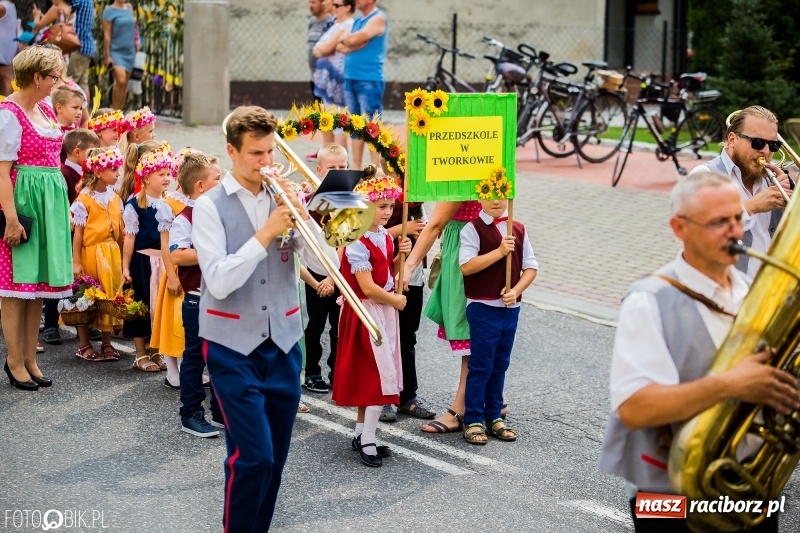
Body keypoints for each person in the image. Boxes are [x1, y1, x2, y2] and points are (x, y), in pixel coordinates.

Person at [599, 172, 800, 533]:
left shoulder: (752, 290)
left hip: (752, 484)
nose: (735, 231)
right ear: (680, 228)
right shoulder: (648, 300)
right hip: (668, 492)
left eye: (737, 218)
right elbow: (633, 407)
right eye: (718, 222)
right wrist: (729, 385)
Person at [193, 106, 339, 532]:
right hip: (230, 344)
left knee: (274, 457)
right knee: (251, 457)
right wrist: (268, 231)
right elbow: (218, 280)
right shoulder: (208, 206)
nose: (266, 162)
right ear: (231, 151)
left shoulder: (283, 199)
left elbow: (326, 264)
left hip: (285, 340)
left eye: (270, 151)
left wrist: (308, 221)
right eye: (256, 153)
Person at [0, 45, 73, 391]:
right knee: (16, 288)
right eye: (53, 76)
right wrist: (11, 219)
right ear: (37, 77)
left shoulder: (43, 107)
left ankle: (30, 358)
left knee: (38, 286)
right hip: (25, 200)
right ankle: (14, 360)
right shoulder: (9, 114)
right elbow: (1, 173)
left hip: (50, 201)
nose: (57, 82)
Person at [332, 174, 409, 467]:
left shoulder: (385, 236)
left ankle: (362, 432)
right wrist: (396, 300)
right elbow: (367, 287)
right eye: (381, 206)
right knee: (377, 377)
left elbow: (383, 272)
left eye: (390, 205)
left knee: (376, 373)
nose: (388, 211)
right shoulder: (356, 241)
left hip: (382, 311)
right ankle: (368, 440)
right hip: (365, 313)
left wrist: (401, 256)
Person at [459, 198, 538, 444]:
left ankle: (494, 415)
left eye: (501, 194)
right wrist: (500, 252)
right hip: (483, 307)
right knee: (481, 364)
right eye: (489, 193)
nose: (496, 200)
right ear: (480, 197)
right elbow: (467, 266)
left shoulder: (518, 228)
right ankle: (472, 418)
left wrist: (516, 291)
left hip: (510, 307)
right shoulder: (471, 228)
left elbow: (531, 267)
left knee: (500, 363)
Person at [401, 200, 483, 432]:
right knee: (476, 325)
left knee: (469, 329)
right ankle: (489, 397)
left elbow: (436, 223)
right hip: (473, 241)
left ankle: (461, 407)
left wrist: (409, 266)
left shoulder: (462, 166)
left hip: (466, 246)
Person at [689, 105, 792, 279]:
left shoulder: (772, 179)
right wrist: (752, 206)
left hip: (769, 289)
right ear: (732, 139)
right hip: (726, 292)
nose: (766, 152)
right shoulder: (704, 176)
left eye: (773, 145)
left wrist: (793, 195)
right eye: (757, 143)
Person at [169, 151, 222, 436]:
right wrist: (213, 252)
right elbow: (178, 256)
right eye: (217, 179)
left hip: (220, 297)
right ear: (200, 186)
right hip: (198, 298)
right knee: (195, 359)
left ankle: (220, 412)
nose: (223, 183)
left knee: (220, 358)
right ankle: (191, 414)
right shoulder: (185, 217)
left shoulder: (218, 213)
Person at [40, 128, 100, 346]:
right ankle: (51, 325)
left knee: (81, 282)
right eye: (92, 151)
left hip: (83, 234)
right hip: (67, 231)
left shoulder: (89, 175)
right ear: (77, 152)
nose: (96, 156)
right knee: (59, 279)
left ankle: (83, 321)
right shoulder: (65, 174)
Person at [121, 142, 174, 371]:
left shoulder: (170, 202)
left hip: (165, 261)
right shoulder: (134, 205)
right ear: (146, 177)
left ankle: (156, 350)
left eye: (168, 173)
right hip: (142, 262)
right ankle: (141, 353)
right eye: (161, 174)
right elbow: (129, 239)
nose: (166, 178)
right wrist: (125, 267)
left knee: (160, 308)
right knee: (141, 306)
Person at [301, 142, 350, 393]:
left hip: (340, 275)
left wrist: (334, 278)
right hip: (315, 274)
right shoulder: (307, 203)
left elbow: (345, 244)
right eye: (332, 168)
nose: (339, 172)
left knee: (339, 328)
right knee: (316, 325)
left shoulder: (350, 202)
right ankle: (311, 372)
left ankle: (337, 370)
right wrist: (323, 279)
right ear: (319, 170)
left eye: (343, 167)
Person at [70, 147, 125, 361]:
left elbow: (120, 232)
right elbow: (78, 234)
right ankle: (84, 344)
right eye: (113, 169)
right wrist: (76, 262)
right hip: (91, 253)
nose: (117, 173)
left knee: (109, 298)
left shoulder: (115, 197)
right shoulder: (85, 199)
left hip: (111, 254)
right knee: (88, 298)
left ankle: (107, 342)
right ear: (99, 172)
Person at [152, 149, 195, 388]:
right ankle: (171, 370)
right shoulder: (167, 204)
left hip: (191, 269)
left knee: (189, 323)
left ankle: (192, 366)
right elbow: (165, 242)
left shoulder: (196, 203)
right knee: (173, 320)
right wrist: (170, 275)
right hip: (176, 269)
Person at [337, 0, 388, 168]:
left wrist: (350, 40)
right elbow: (341, 47)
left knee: (372, 125)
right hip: (351, 78)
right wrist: (352, 41)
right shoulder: (359, 21)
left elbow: (354, 40)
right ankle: (357, 169)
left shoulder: (378, 18)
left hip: (369, 79)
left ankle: (376, 169)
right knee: (355, 126)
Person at [312, 0, 355, 147]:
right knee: (327, 119)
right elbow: (317, 49)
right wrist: (321, 48)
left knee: (338, 122)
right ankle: (329, 156)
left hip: (336, 80)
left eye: (337, 5)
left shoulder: (348, 25)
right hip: (326, 79)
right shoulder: (336, 24)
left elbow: (325, 48)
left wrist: (321, 48)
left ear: (348, 7)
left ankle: (340, 159)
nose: (334, 8)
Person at [306, 0, 334, 162]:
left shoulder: (330, 23)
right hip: (314, 76)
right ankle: (325, 148)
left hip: (325, 79)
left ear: (324, 3)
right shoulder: (311, 22)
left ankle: (331, 150)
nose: (310, 5)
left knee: (328, 115)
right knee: (320, 113)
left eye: (314, 2)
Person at [102, 0, 138, 111]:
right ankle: (115, 112)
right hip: (116, 52)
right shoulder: (109, 11)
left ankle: (120, 113)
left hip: (130, 51)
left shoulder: (129, 8)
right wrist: (107, 55)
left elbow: (133, 28)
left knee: (124, 84)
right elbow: (107, 35)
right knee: (120, 81)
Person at [65, 0, 96, 99]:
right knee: (83, 84)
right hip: (87, 46)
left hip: (78, 46)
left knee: (70, 82)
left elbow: (63, 5)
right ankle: (86, 113)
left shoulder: (79, 1)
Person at [0, 0, 17, 97]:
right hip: (7, 45)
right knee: (4, 77)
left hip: (4, 48)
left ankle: (9, 104)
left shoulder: (3, 6)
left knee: (6, 76)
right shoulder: (9, 4)